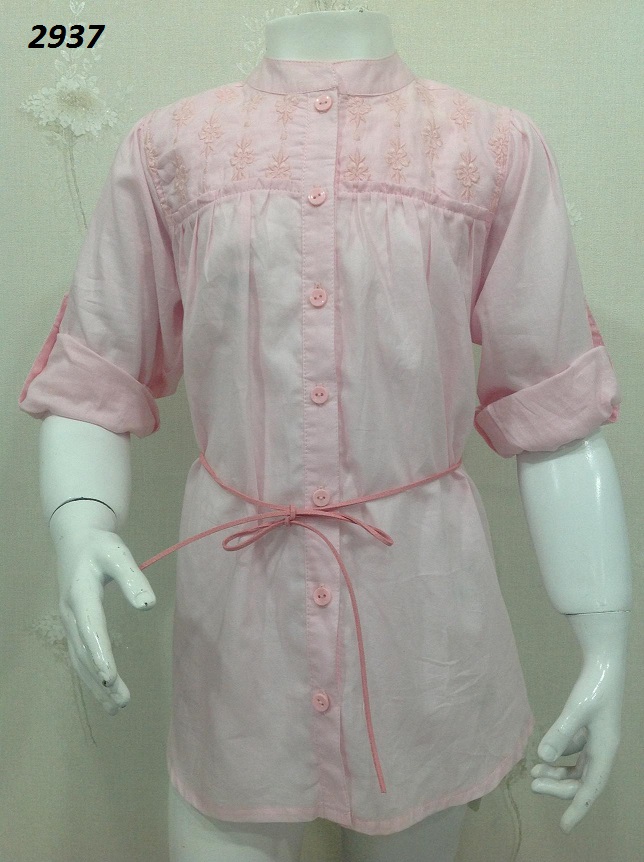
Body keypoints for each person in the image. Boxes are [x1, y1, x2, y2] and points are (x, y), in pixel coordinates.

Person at [19, 7, 631, 862]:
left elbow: (554, 410)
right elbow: (96, 380)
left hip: (421, 616)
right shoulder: (170, 149)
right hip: (239, 626)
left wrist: (605, 644)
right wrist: (80, 531)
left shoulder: (492, 148)